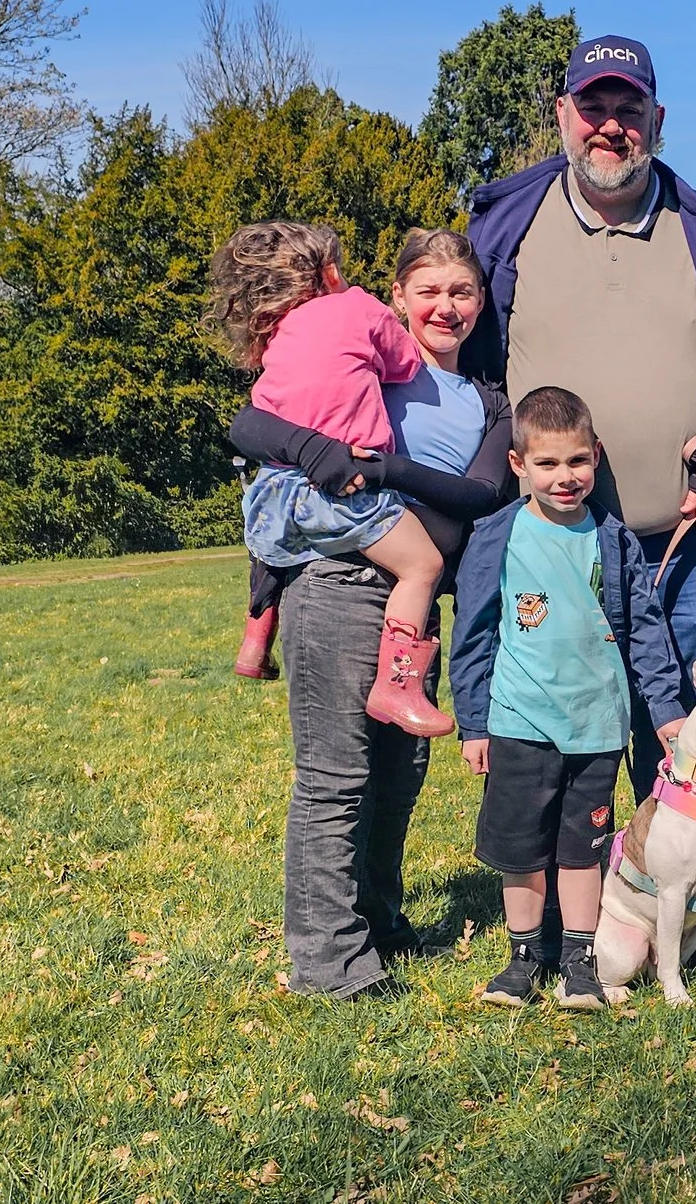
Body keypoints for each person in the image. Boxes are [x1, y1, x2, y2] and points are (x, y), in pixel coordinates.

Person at [461, 33, 696, 799]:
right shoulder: (506, 225)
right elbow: (464, 357)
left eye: (628, 108)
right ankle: (566, 903)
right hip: (552, 539)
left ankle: (665, 892)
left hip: (687, 541)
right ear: (562, 115)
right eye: (593, 107)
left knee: (676, 723)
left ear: (658, 117)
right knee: (555, 724)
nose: (610, 125)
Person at [226, 230, 514, 1000]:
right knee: (335, 774)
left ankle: (380, 918)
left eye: (462, 292)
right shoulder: (365, 357)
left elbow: (481, 493)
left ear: (480, 301)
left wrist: (387, 468)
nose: (446, 306)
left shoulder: (491, 399)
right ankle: (330, 963)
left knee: (399, 771)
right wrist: (315, 451)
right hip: (340, 581)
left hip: (415, 602)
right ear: (397, 299)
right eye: (429, 290)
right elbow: (251, 426)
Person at [449, 386, 689, 1010]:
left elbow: (645, 628)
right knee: (522, 851)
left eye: (578, 462)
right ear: (518, 465)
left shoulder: (613, 538)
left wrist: (665, 711)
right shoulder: (495, 537)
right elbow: (472, 634)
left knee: (583, 850)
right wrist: (474, 723)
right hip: (519, 722)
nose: (565, 477)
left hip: (597, 727)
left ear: (596, 457)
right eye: (548, 464)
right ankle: (524, 957)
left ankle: (580, 960)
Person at [211, 220, 448, 735]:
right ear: (331, 271)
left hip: (273, 492)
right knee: (423, 565)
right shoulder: (358, 307)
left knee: (277, 550)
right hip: (340, 491)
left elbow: (259, 416)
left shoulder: (274, 338)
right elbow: (405, 363)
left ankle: (255, 640)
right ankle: (398, 685)